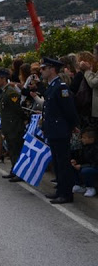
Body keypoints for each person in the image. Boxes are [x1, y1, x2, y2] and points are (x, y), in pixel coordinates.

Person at [41, 57, 80, 204]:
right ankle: (60, 190)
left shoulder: (61, 87)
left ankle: (66, 194)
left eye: (44, 68)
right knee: (57, 162)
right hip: (53, 129)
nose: (41, 71)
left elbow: (68, 109)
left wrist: (73, 125)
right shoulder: (52, 86)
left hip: (60, 129)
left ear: (52, 69)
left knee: (63, 163)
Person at [0, 68, 26, 180]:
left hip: (14, 126)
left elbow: (17, 110)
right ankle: (14, 170)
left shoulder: (11, 92)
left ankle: (19, 172)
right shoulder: (5, 91)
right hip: (8, 126)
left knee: (16, 149)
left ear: (4, 79)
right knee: (12, 149)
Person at [71, 128, 98, 198]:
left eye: (84, 138)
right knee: (71, 165)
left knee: (86, 171)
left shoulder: (95, 148)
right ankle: (79, 184)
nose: (82, 139)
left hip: (94, 167)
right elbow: (82, 158)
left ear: (91, 139)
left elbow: (95, 163)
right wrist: (76, 161)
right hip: (87, 165)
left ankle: (91, 187)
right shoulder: (84, 147)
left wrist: (82, 166)